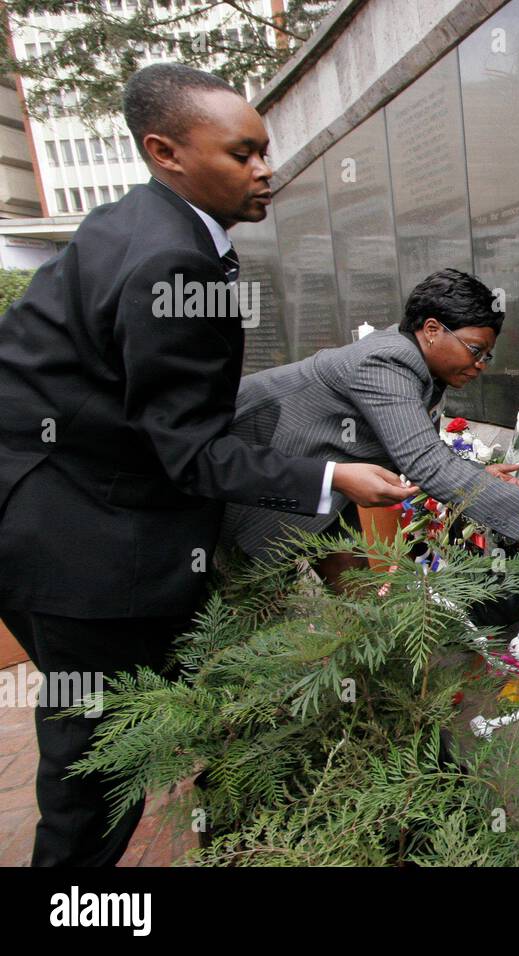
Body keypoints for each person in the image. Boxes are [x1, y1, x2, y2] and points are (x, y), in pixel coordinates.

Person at [0, 63, 410, 866]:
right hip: (79, 548)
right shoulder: (171, 263)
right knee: (98, 761)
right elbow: (187, 448)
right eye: (242, 154)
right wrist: (334, 477)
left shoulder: (137, 222)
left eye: (265, 150)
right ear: (166, 151)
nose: (266, 170)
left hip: (40, 505)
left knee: (168, 711)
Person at [221, 268, 519, 574]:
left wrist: (480, 474)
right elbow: (425, 463)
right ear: (432, 330)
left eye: (488, 355)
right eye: (475, 349)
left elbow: (415, 448)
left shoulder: (421, 368)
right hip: (238, 486)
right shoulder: (388, 360)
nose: (480, 365)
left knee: (355, 601)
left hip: (316, 497)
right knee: (236, 622)